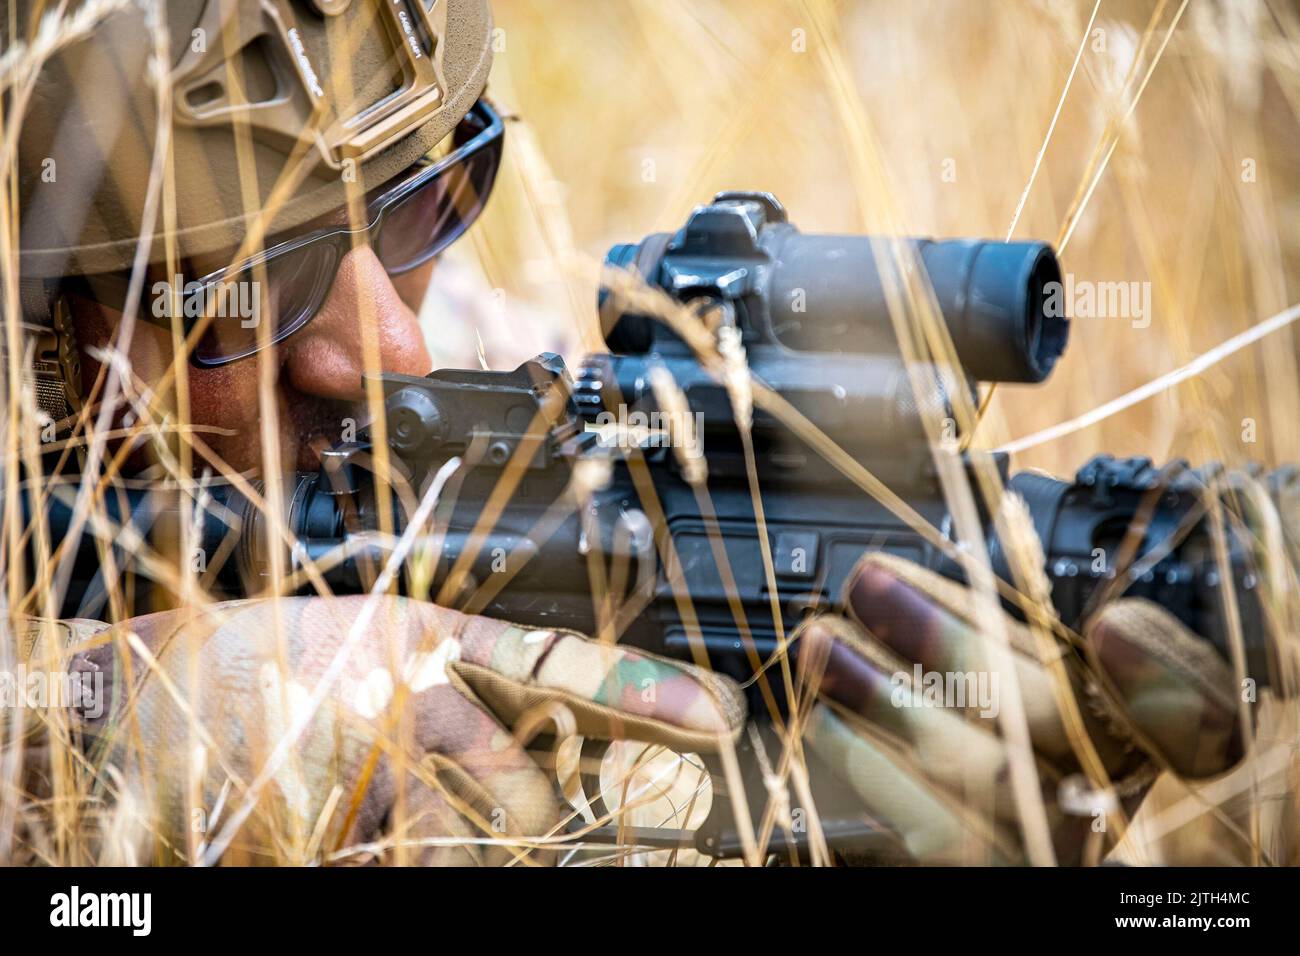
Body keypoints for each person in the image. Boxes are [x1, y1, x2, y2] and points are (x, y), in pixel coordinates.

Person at [4, 0, 1270, 866]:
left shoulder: (536, 415)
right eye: (242, 287)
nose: (391, 348)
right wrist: (104, 746)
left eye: (416, 212)